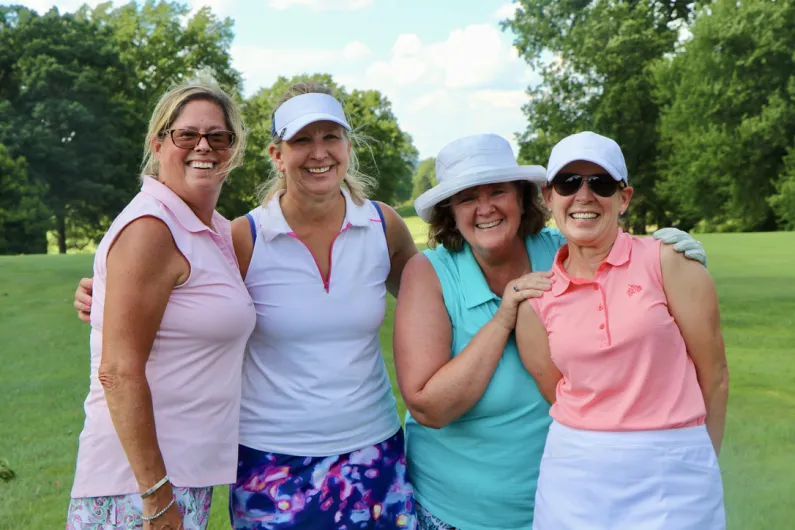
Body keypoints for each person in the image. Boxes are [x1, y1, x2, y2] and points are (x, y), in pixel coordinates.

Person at [74, 82, 419, 529]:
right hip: (271, 463)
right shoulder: (242, 236)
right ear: (277, 155)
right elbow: (152, 304)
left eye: (331, 137)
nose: (319, 153)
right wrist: (104, 293)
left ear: (348, 147)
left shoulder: (382, 225)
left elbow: (432, 296)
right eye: (301, 140)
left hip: (374, 450)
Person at [392, 133, 709, 530]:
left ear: (524, 198)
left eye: (498, 192)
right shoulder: (430, 273)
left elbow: (637, 280)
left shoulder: (563, 248)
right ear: (450, 211)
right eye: (468, 197)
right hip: (459, 513)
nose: (485, 208)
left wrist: (676, 255)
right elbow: (429, 407)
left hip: (574, 503)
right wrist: (504, 318)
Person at [67, 83, 256, 530]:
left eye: (218, 136)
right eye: (186, 135)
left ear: (233, 148)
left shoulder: (215, 233)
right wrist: (155, 496)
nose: (203, 146)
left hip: (185, 474)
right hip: (136, 485)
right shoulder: (151, 226)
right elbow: (118, 371)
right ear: (157, 144)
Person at [516, 132, 728, 529]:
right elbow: (558, 388)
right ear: (549, 198)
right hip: (574, 476)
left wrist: (699, 461)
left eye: (600, 183)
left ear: (623, 197)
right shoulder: (536, 299)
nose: (583, 195)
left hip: (674, 475)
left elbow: (714, 377)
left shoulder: (670, 262)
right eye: (568, 183)